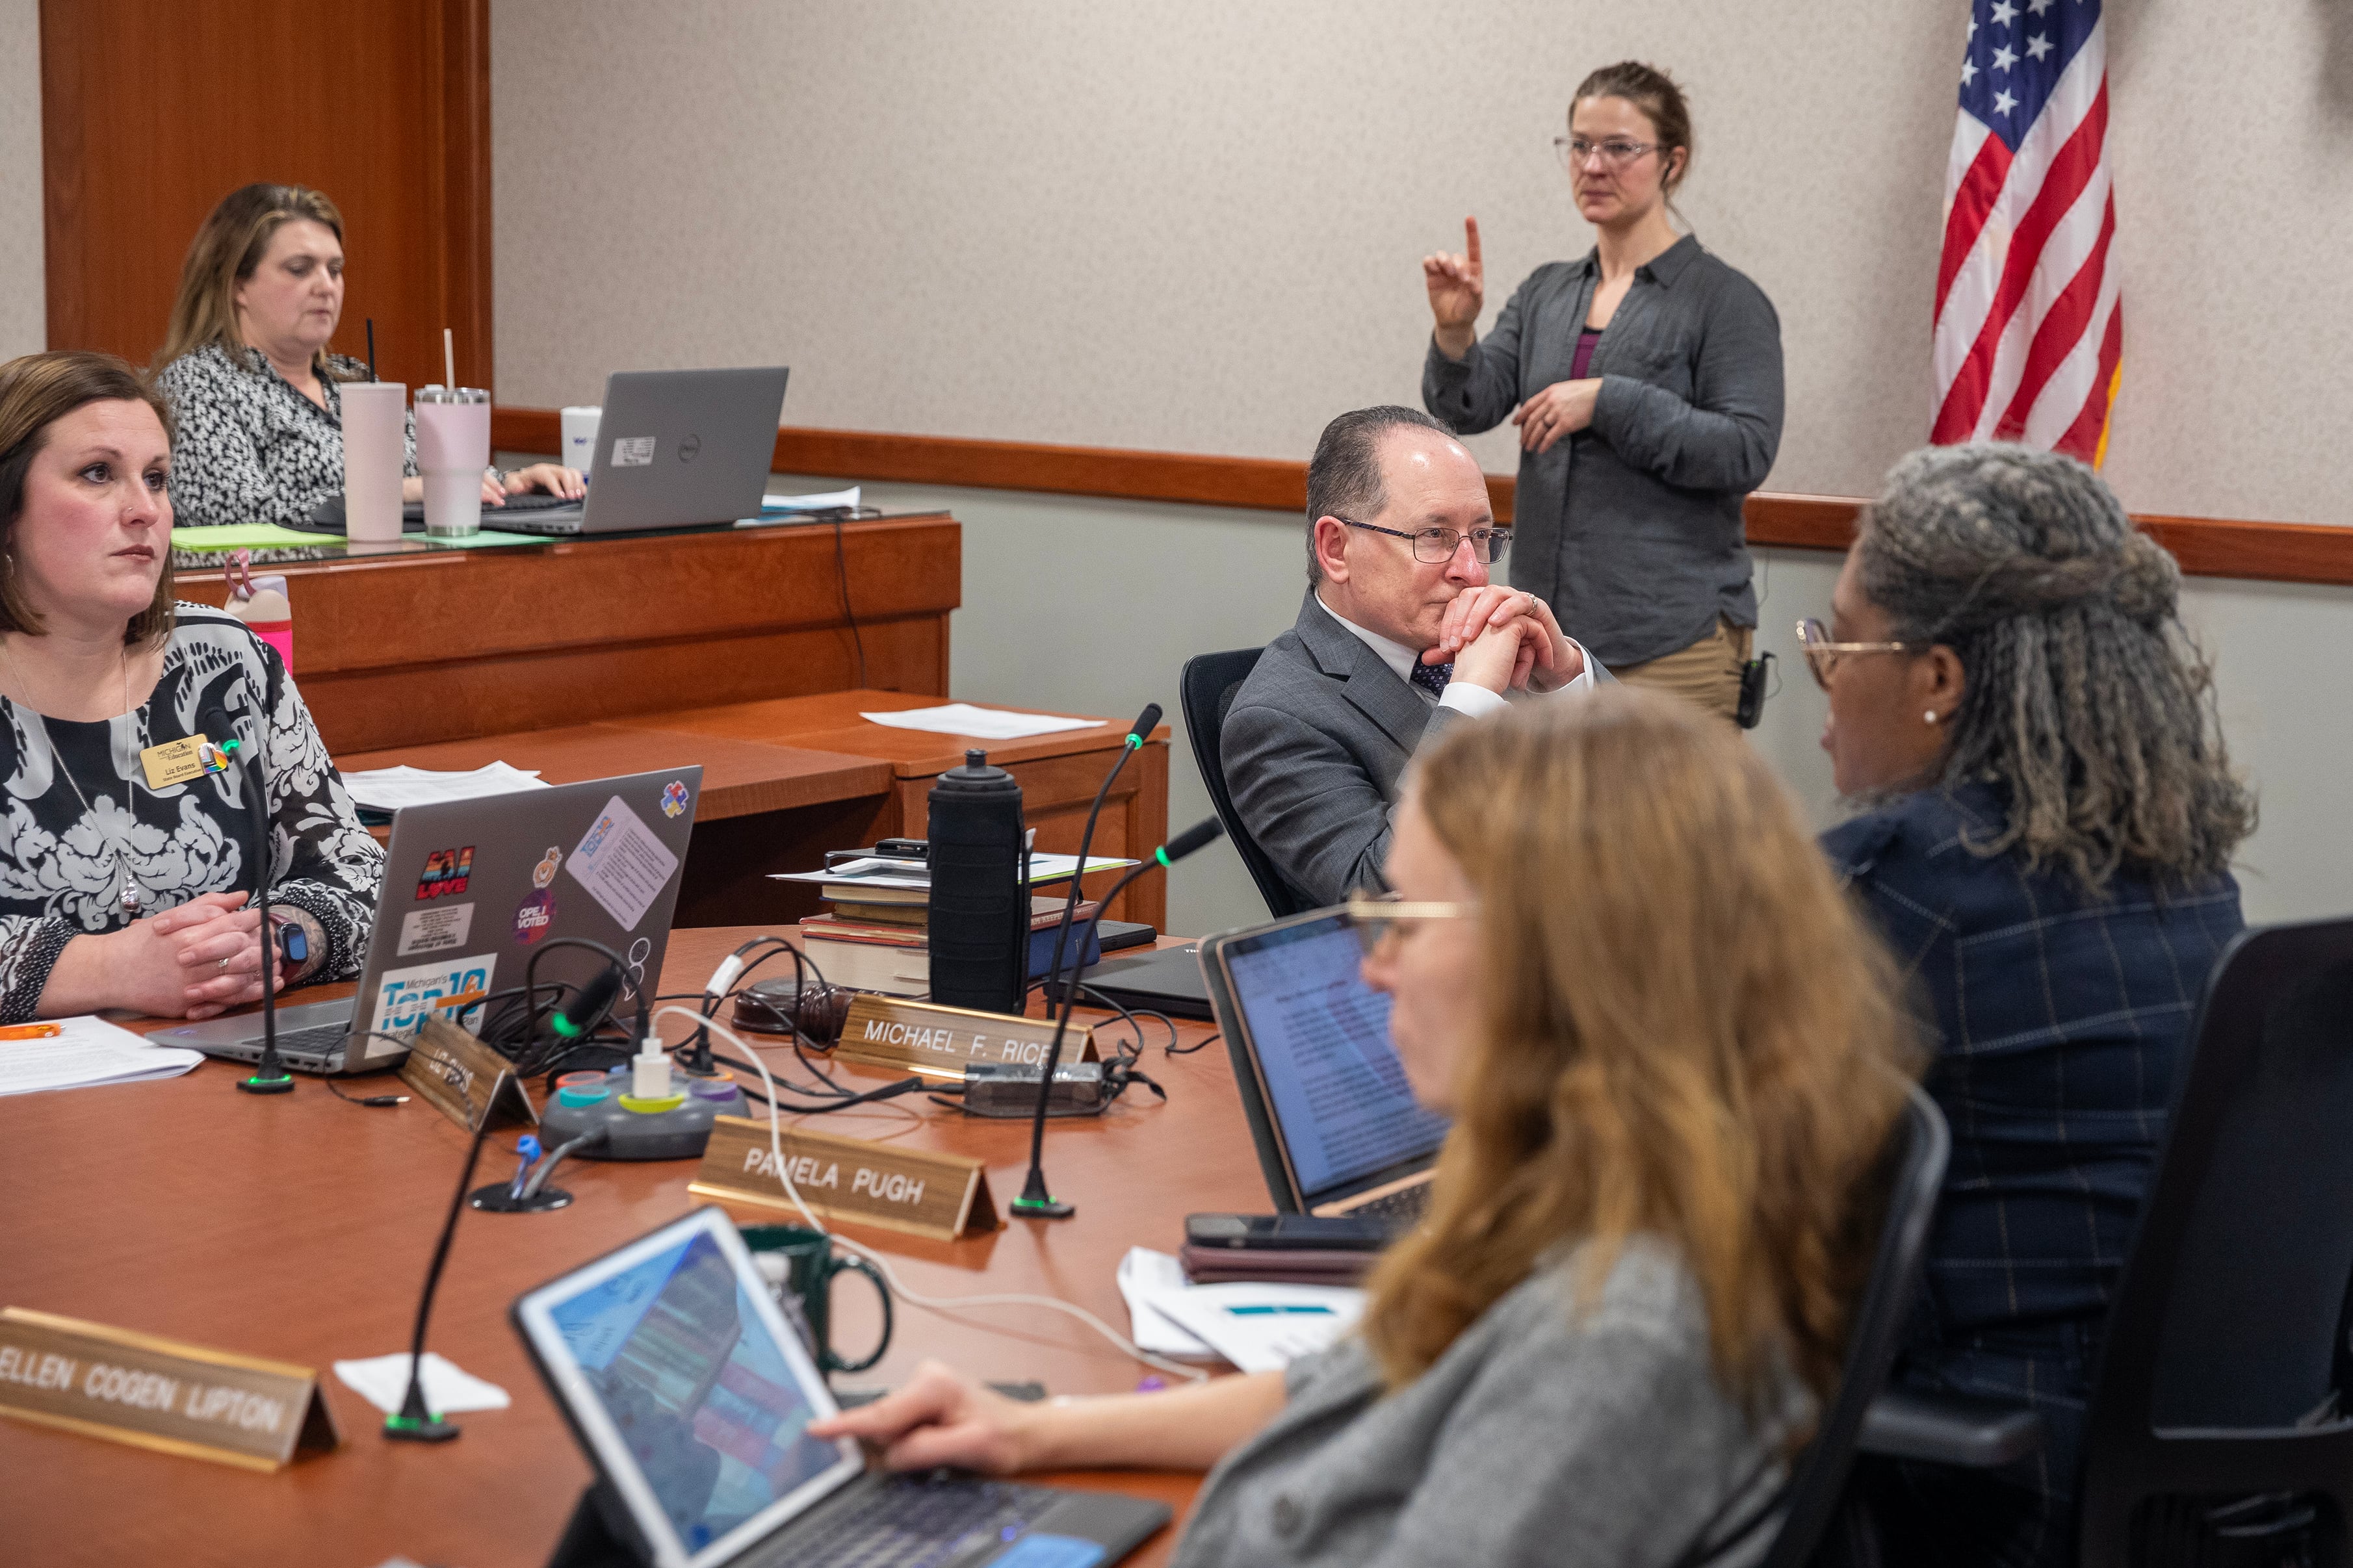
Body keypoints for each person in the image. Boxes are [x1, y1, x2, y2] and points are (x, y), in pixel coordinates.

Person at [814, 689, 1915, 1567]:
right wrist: (1029, 1431)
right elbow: (1368, 1371)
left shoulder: (1619, 1337)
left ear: (1561, 957)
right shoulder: (1613, 1188)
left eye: (1402, 917)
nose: (1370, 963)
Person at [1804, 444, 2256, 1568]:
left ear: (1939, 679)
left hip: (1972, 1497)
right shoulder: (2196, 881)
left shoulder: (1897, 884)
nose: (1818, 673)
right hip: (2200, 1497)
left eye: (1838, 638)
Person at [0, 350, 382, 1022]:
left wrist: (283, 939)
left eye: (157, 478)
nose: (144, 509)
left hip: (228, 1064)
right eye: (98, 474)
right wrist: (111, 968)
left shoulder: (225, 662)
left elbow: (360, 874)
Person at [1421, 62, 1782, 722]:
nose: (1593, 165)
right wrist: (1454, 332)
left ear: (1673, 161)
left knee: (1669, 829)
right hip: (1550, 644)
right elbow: (1466, 404)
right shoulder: (1547, 290)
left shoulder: (1724, 300)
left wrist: (1607, 401)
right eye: (1579, 145)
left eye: (1619, 147)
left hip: (1670, 640)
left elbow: (1744, 449)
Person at [1221, 405, 1607, 908]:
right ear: (1336, 548)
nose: (1473, 571)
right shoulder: (1277, 718)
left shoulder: (1504, 652)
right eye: (1435, 536)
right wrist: (1470, 701)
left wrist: (1568, 679)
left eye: (1482, 536)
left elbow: (1654, 805)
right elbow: (1383, 893)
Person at [154, 183, 582, 528]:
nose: (327, 286)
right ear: (236, 285)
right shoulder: (199, 382)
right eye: (300, 269)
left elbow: (428, 477)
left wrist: (513, 483)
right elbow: (230, 511)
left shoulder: (352, 380)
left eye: (335, 269)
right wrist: (392, 493)